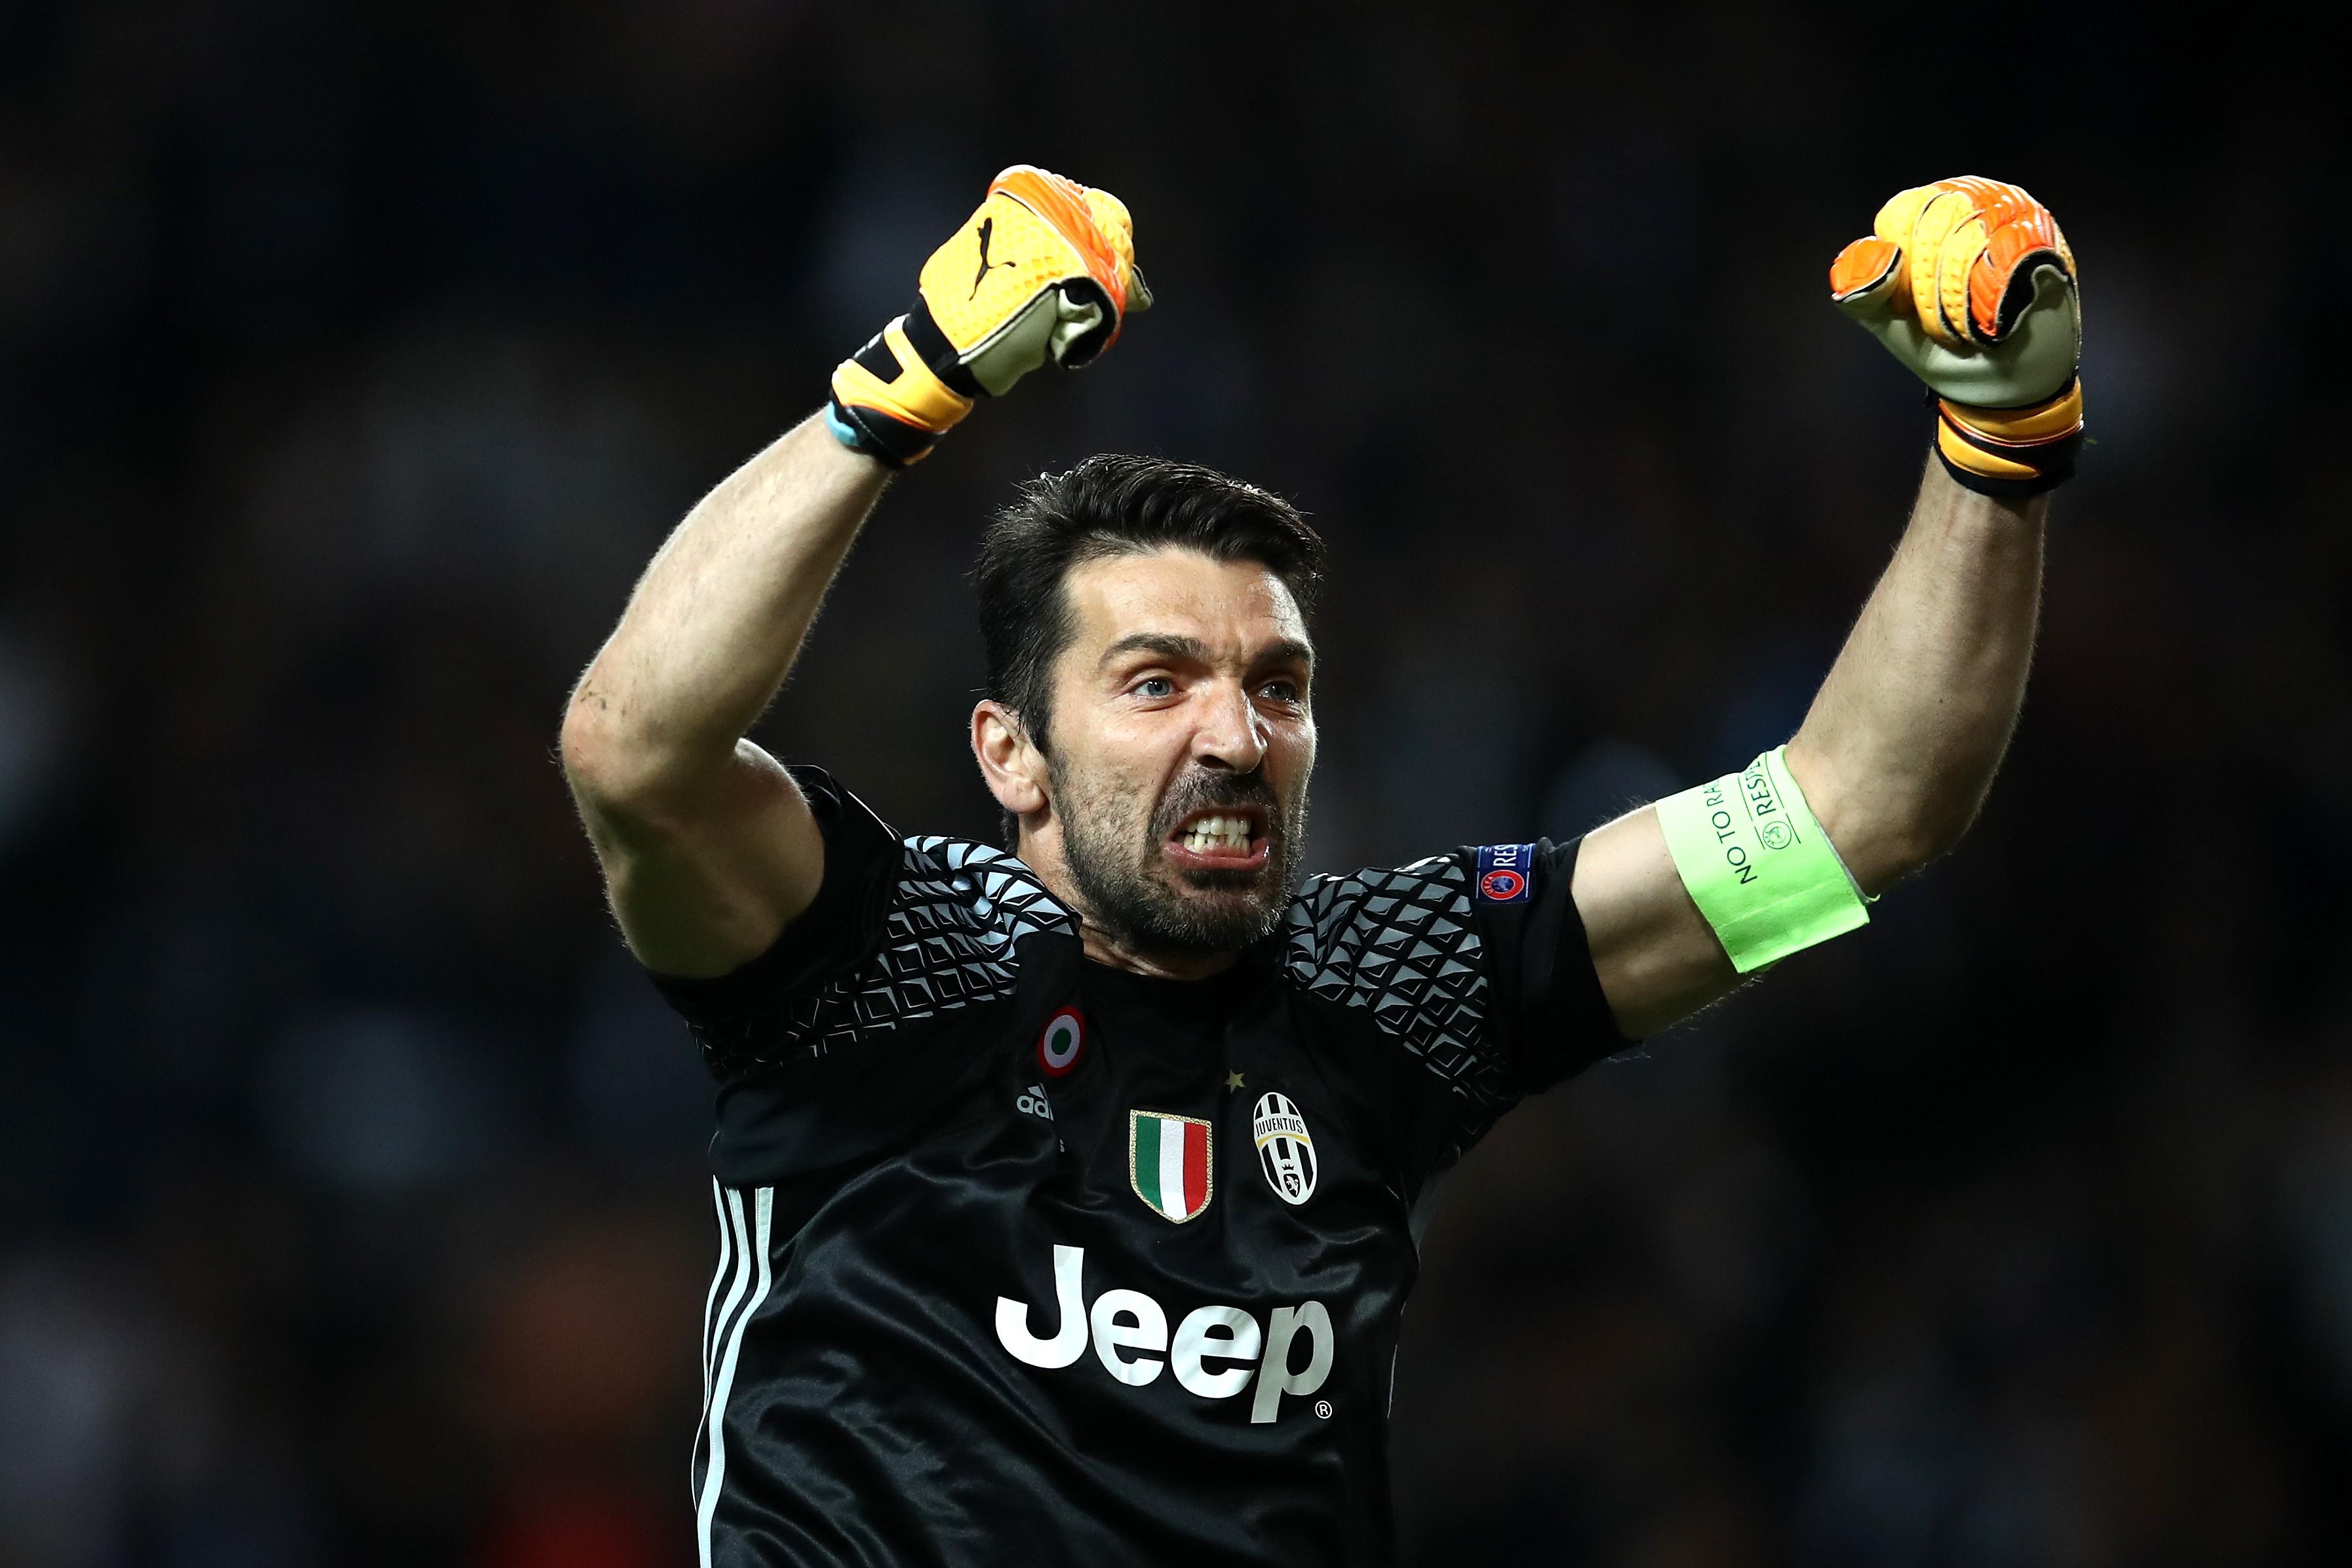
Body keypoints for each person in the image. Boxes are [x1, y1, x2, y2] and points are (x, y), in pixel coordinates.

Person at [558, 167, 2084, 1566]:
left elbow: (1861, 810)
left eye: (1277, 686)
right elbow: (632, 747)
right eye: (1156, 681)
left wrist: (2000, 436)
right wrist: (902, 389)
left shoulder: (1394, 986)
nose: (1235, 734)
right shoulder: (883, 958)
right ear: (1012, 753)